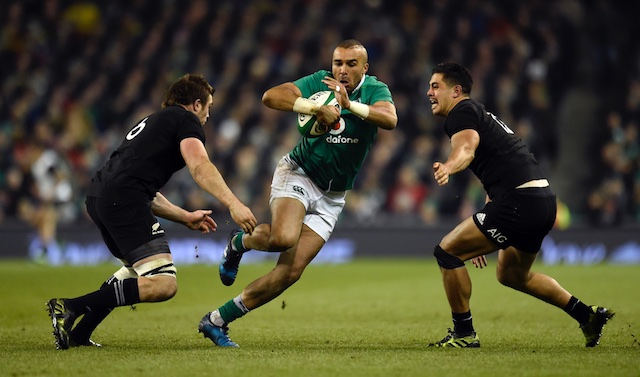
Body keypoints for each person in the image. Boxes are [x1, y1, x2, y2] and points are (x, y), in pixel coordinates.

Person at [197, 39, 398, 347]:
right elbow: (271, 96)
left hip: (333, 196)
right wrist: (313, 107)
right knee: (283, 238)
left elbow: (389, 119)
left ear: (365, 68)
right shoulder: (319, 81)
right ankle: (238, 243)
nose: (342, 70)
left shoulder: (375, 89)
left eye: (351, 64)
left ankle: (216, 320)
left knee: (289, 273)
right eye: (338, 63)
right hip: (300, 173)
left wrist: (348, 106)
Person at [46, 74, 257, 350]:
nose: (208, 115)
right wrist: (234, 204)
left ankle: (80, 333)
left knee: (134, 271)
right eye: (209, 107)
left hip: (100, 196)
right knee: (163, 284)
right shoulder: (186, 121)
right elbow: (200, 166)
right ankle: (70, 307)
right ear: (195, 104)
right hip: (123, 200)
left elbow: (140, 185)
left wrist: (185, 216)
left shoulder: (153, 122)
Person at [424, 62, 613, 348]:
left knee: (447, 252)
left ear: (456, 90)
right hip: (543, 201)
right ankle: (586, 315)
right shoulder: (482, 115)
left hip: (519, 203)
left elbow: (466, 147)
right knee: (512, 274)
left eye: (436, 86)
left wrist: (449, 167)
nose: (429, 92)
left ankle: (464, 334)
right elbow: (502, 166)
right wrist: (485, 221)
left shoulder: (461, 112)